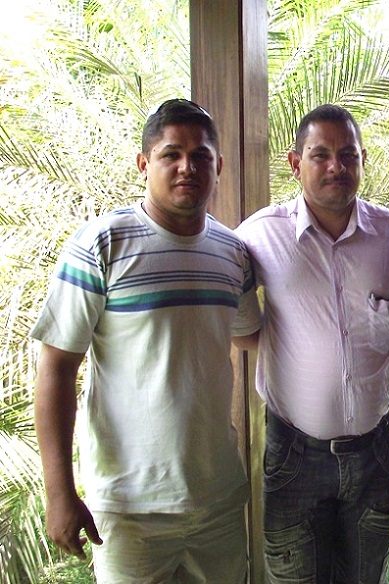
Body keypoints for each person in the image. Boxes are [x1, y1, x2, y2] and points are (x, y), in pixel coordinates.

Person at [31, 99, 259, 583]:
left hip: (218, 499)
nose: (187, 167)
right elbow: (56, 368)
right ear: (143, 163)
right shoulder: (101, 245)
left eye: (200, 156)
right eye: (170, 154)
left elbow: (251, 336)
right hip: (130, 509)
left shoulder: (233, 254)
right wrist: (59, 493)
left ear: (218, 166)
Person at [233, 104, 389, 584]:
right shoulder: (259, 236)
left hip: (374, 452)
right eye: (321, 154)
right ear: (296, 163)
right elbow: (240, 325)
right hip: (295, 455)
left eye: (348, 154)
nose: (336, 166)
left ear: (363, 160)